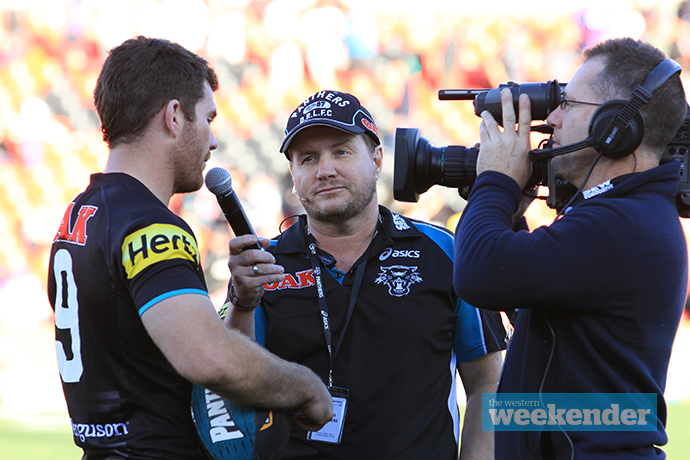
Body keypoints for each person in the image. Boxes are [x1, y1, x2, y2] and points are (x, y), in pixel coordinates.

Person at [47, 36, 332, 460]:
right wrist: (306, 387)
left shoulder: (79, 215)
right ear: (175, 116)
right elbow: (207, 358)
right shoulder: (151, 226)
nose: (213, 141)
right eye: (209, 119)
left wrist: (242, 301)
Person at [225, 90, 506, 459]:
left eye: (341, 151)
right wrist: (242, 305)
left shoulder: (445, 251)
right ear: (294, 175)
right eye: (308, 158)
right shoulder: (263, 266)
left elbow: (488, 380)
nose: (325, 170)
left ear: (376, 159)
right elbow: (230, 384)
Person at [453, 37, 688, 459]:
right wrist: (508, 212)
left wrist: (497, 180)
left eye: (569, 104)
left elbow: (479, 273)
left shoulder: (622, 223)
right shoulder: (626, 213)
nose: (553, 118)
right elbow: (532, 308)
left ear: (616, 125)